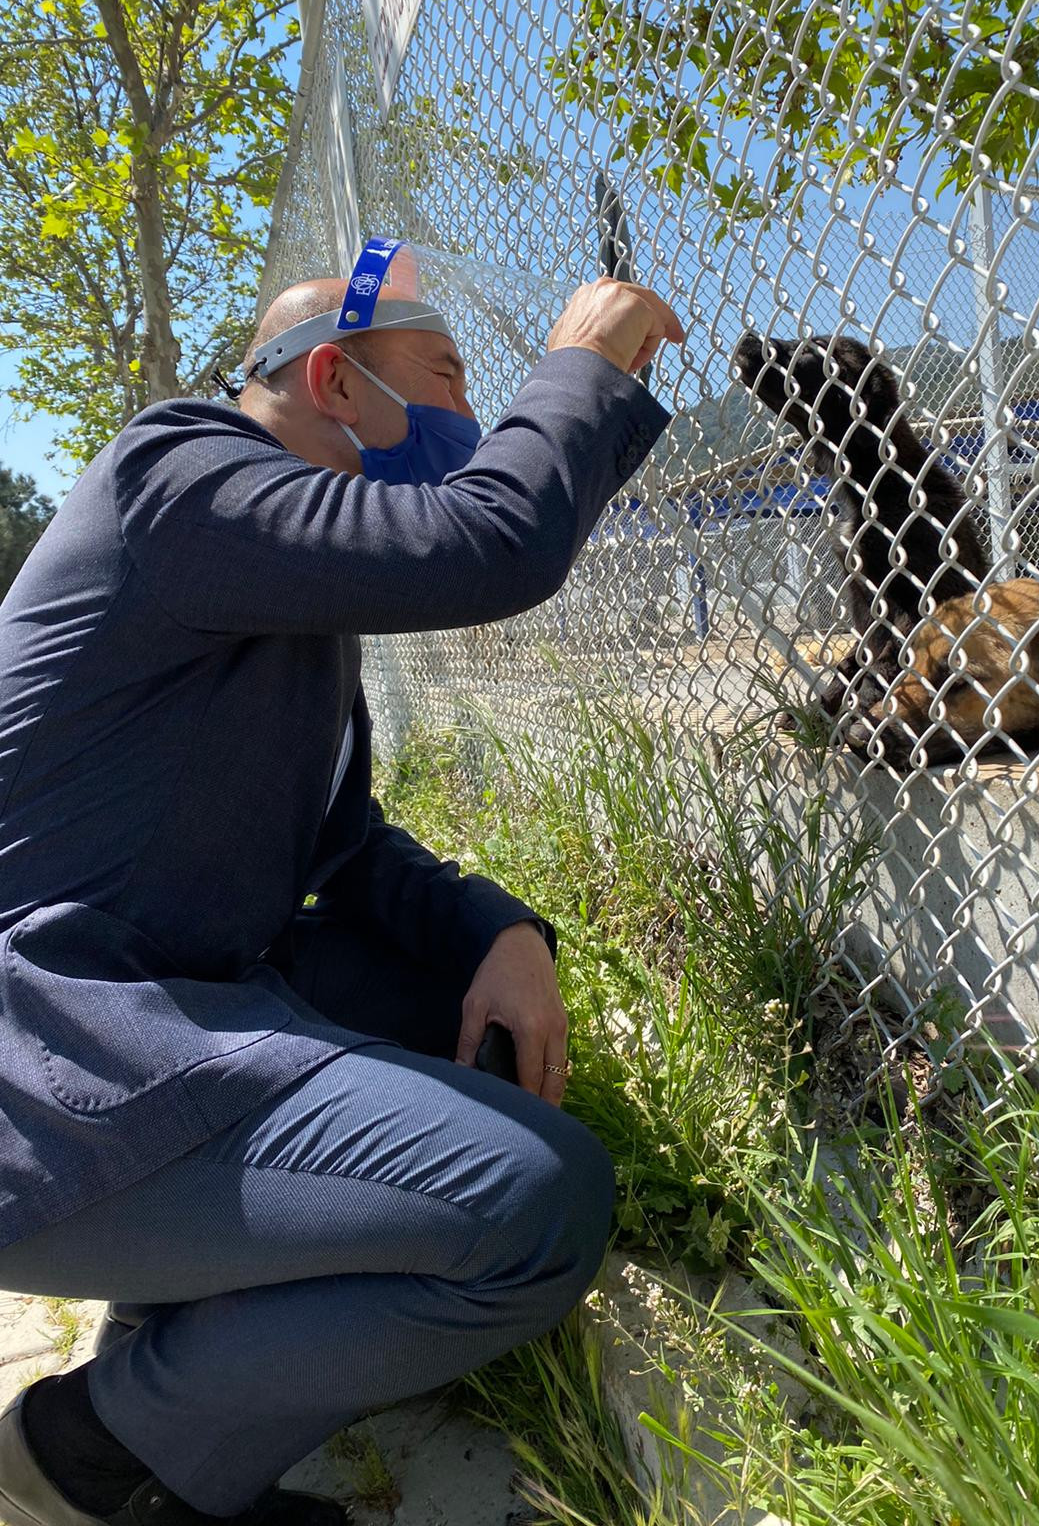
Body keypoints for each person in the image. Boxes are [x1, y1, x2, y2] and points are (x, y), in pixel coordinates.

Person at [0, 237, 683, 1526]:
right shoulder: (176, 473)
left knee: (457, 1015)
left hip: (147, 1036)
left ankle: (185, 1319)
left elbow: (347, 849)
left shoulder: (279, 601)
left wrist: (502, 929)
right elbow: (488, 542)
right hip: (50, 1072)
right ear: (330, 379)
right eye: (441, 375)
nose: (470, 420)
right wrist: (580, 367)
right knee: (539, 1205)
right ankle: (87, 1457)